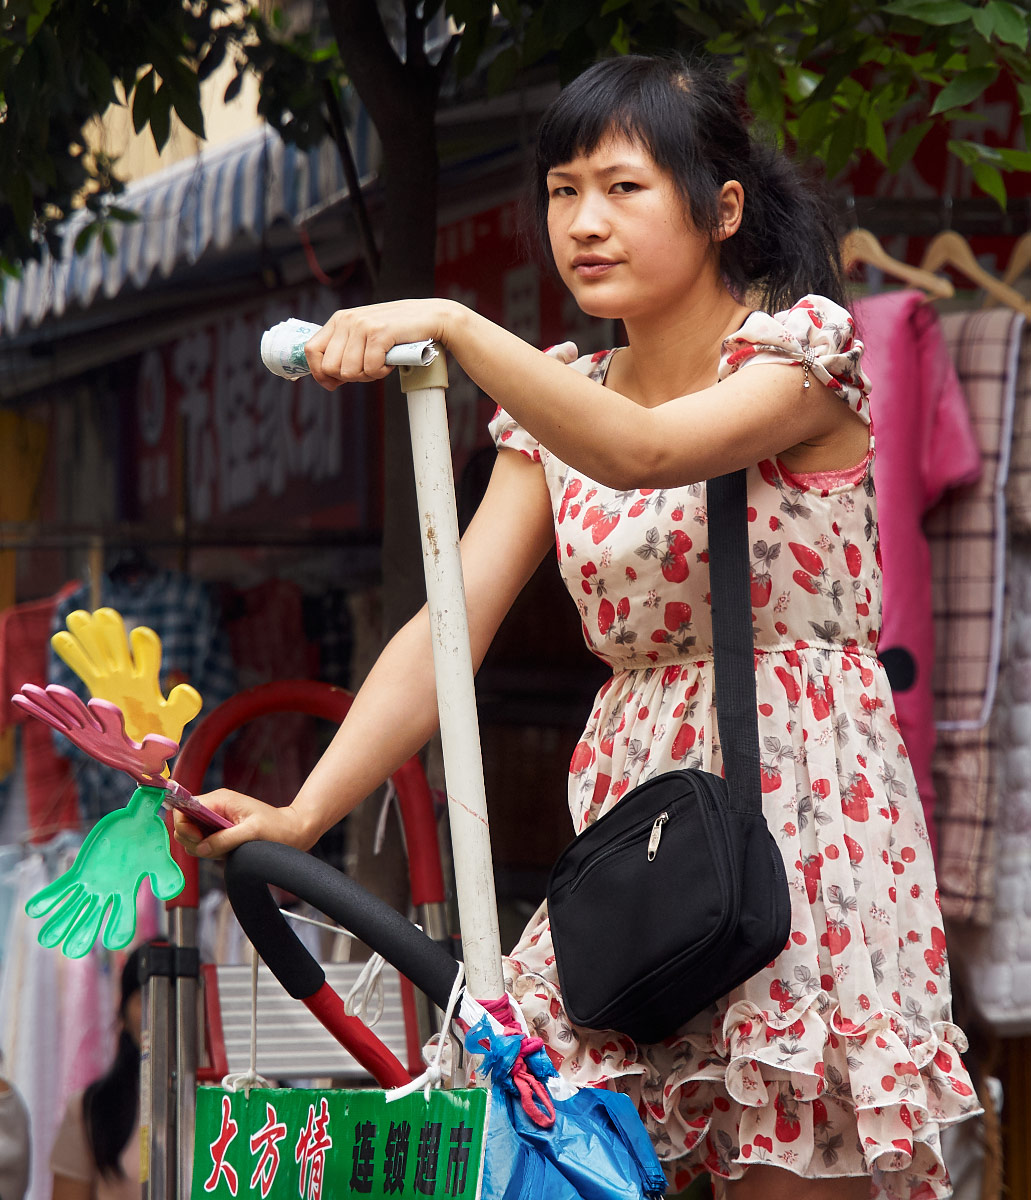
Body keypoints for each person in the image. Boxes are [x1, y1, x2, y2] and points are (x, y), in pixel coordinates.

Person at [175, 54, 979, 1199]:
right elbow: (443, 632)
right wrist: (304, 811)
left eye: (621, 188)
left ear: (721, 208)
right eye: (560, 191)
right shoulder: (553, 404)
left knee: (785, 1168)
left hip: (799, 823)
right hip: (634, 841)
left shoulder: (800, 353)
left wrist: (450, 321)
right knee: (563, 1157)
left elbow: (642, 453)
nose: (582, 223)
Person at [50, 947, 145, 1200]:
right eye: (144, 998)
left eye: (177, 994)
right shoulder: (89, 1109)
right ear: (122, 1012)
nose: (162, 1011)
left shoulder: (221, 1107)